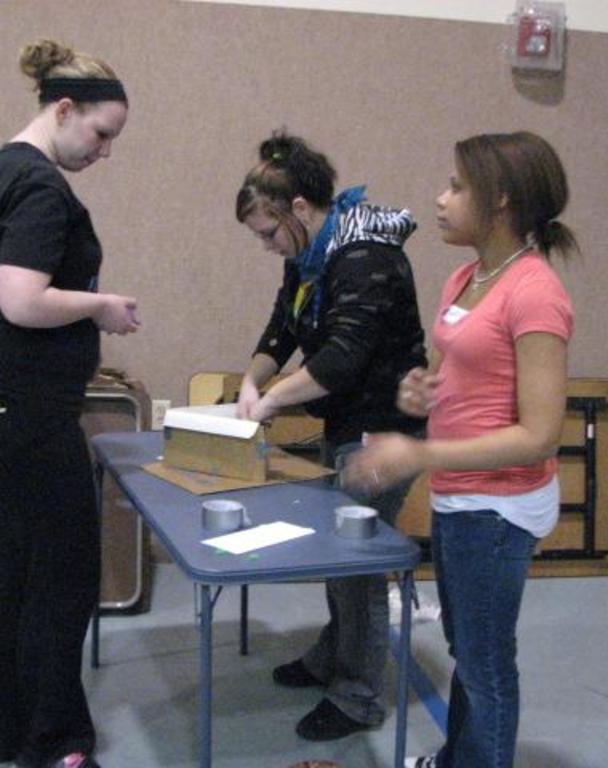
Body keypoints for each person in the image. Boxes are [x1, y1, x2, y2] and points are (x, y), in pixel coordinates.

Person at [346, 131, 576, 768]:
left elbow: (539, 434)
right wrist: (420, 392)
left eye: (456, 186)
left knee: (485, 661)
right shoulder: (465, 277)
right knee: (467, 649)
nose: (440, 199)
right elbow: (454, 373)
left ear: (499, 199)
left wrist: (419, 456)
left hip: (500, 508)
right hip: (459, 496)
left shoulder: (535, 292)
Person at [0, 38, 138, 768]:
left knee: (16, 558)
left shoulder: (4, 168)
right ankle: (53, 742)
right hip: (13, 403)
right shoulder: (39, 187)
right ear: (64, 109)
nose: (104, 151)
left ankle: (11, 731)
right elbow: (20, 300)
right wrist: (100, 306)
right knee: (63, 570)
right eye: (101, 134)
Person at [234, 131, 427, 740]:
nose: (267, 246)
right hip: (347, 421)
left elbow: (342, 358)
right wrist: (250, 381)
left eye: (269, 232)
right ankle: (331, 656)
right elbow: (282, 329)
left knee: (357, 565)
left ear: (299, 208)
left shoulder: (366, 257)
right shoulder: (309, 255)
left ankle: (357, 697)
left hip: (385, 431)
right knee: (340, 556)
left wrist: (270, 401)